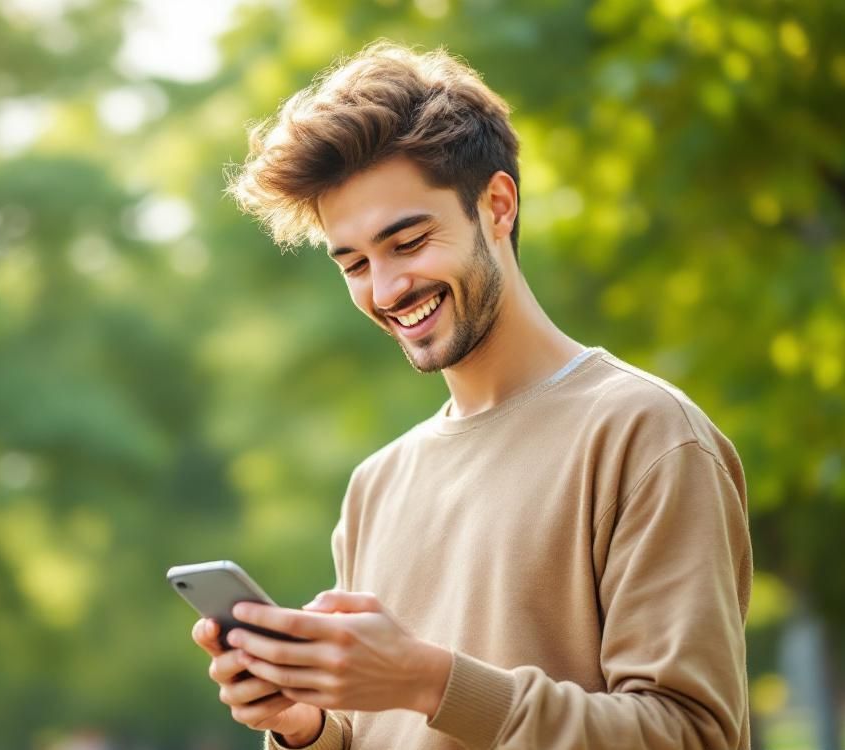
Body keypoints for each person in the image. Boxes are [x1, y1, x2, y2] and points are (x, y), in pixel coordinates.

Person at [191, 41, 752, 749]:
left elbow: (691, 736)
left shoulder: (646, 436)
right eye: (355, 263)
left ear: (497, 205)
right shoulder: (377, 485)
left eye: (409, 242)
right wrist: (303, 727)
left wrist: (429, 683)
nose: (387, 290)